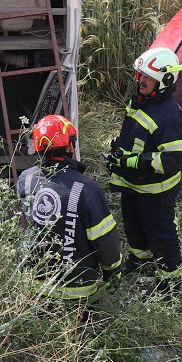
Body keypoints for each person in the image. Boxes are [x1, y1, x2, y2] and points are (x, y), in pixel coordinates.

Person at [16, 114, 123, 307]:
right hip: (78, 294)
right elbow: (106, 242)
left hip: (35, 288)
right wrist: (113, 272)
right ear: (70, 146)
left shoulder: (26, 180)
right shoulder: (88, 189)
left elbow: (27, 225)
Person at [107, 46, 182, 293]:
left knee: (161, 234)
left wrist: (132, 161)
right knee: (133, 224)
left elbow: (173, 161)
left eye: (148, 77)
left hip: (155, 191)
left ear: (165, 80)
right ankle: (139, 260)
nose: (141, 80)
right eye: (140, 74)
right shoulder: (142, 100)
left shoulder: (170, 116)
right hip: (134, 184)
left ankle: (171, 283)